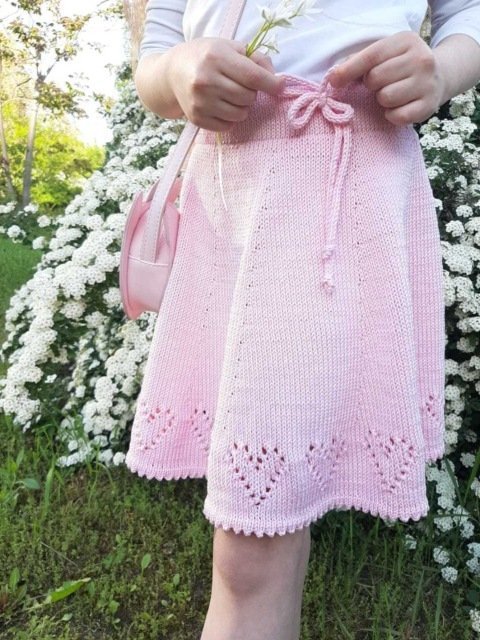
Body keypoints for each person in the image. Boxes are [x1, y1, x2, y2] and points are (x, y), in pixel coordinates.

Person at [123, 2, 480, 639]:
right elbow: (154, 57)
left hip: (354, 184)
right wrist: (177, 71)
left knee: (253, 552)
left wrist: (442, 71)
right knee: (269, 521)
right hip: (232, 197)